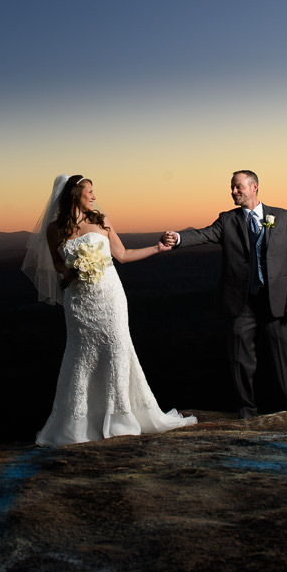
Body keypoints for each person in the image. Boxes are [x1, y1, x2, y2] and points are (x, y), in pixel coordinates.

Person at [22, 174, 197, 446]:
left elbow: (123, 255)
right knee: (81, 354)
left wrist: (158, 248)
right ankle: (77, 424)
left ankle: (121, 419)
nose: (94, 196)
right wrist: (69, 271)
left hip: (110, 297)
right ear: (74, 194)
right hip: (79, 301)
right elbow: (56, 263)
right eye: (89, 192)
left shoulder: (101, 220)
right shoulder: (54, 228)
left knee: (117, 348)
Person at [161, 170, 287, 419]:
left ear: (254, 187)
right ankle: (247, 412)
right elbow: (205, 233)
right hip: (242, 302)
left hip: (278, 300)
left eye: (238, 187)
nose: (233, 192)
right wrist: (179, 237)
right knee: (239, 359)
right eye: (232, 188)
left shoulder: (282, 216)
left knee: (282, 358)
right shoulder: (227, 220)